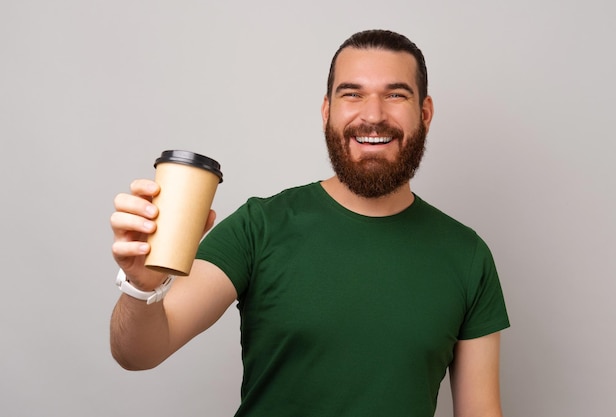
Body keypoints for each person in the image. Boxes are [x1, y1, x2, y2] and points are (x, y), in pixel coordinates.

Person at [110, 29, 510, 417]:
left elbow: (480, 410)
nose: (373, 115)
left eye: (395, 95)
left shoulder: (467, 255)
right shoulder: (259, 226)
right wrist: (143, 287)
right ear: (327, 112)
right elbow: (138, 353)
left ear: (424, 113)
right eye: (352, 94)